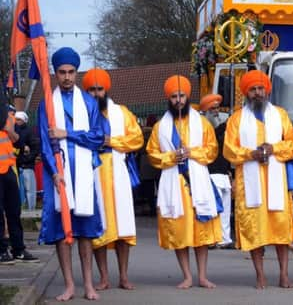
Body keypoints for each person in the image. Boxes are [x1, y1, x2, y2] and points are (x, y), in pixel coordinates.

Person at [38, 47, 105, 301]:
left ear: (77, 72)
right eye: (62, 72)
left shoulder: (89, 102)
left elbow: (98, 137)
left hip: (85, 173)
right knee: (61, 231)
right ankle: (68, 285)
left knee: (85, 231)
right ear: (55, 73)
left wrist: (69, 134)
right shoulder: (46, 103)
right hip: (60, 174)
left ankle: (88, 284)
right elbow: (45, 140)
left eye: (71, 72)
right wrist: (54, 173)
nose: (66, 77)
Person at [223, 70, 293, 289]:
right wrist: (250, 154)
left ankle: (284, 274)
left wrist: (273, 148)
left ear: (267, 90)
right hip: (250, 183)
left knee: (280, 228)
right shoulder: (236, 119)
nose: (257, 93)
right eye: (253, 89)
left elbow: (292, 145)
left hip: (276, 180)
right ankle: (260, 275)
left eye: (260, 88)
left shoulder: (281, 115)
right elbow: (229, 150)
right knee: (255, 230)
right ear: (247, 93)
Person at [146, 75, 221, 289]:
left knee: (201, 232)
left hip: (198, 182)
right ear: (168, 99)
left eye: (181, 95)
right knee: (180, 230)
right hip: (174, 183)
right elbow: (152, 154)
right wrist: (171, 157)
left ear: (187, 96)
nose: (178, 100)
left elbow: (212, 150)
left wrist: (192, 152)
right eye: (173, 97)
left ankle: (203, 276)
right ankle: (187, 275)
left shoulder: (203, 122)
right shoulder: (160, 127)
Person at [82, 68, 144, 291]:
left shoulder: (122, 112)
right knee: (99, 227)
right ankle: (103, 278)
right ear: (86, 91)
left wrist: (112, 141)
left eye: (99, 89)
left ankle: (124, 276)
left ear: (106, 89)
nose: (96, 94)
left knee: (123, 226)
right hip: (94, 173)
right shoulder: (81, 113)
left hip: (118, 172)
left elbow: (136, 139)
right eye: (92, 90)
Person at [0, 99, 38, 265]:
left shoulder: (8, 115)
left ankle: (18, 250)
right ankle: (2, 250)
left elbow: (16, 138)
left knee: (14, 212)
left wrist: (10, 131)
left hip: (8, 169)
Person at [199, 93, 233, 249]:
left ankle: (224, 239)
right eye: (212, 108)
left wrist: (229, 171)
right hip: (209, 173)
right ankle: (212, 238)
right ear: (205, 110)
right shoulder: (202, 128)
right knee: (213, 208)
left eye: (217, 108)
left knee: (225, 209)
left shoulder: (221, 128)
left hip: (223, 174)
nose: (216, 111)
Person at [14, 111, 40, 211]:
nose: (17, 121)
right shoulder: (13, 131)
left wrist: (27, 159)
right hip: (16, 165)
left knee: (30, 189)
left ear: (24, 120)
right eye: (16, 119)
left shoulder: (29, 132)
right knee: (19, 190)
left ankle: (31, 210)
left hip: (27, 165)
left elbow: (35, 147)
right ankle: (20, 209)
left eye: (19, 119)